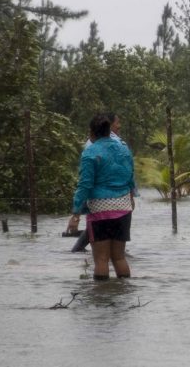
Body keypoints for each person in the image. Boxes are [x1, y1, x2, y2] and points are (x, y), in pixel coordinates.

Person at [67, 114, 135, 280]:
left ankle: (101, 301)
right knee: (119, 257)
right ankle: (124, 295)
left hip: (100, 210)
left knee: (101, 259)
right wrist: (131, 198)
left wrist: (76, 213)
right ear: (108, 130)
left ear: (91, 133)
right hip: (123, 208)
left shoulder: (90, 152)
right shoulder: (124, 149)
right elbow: (130, 177)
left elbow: (85, 185)